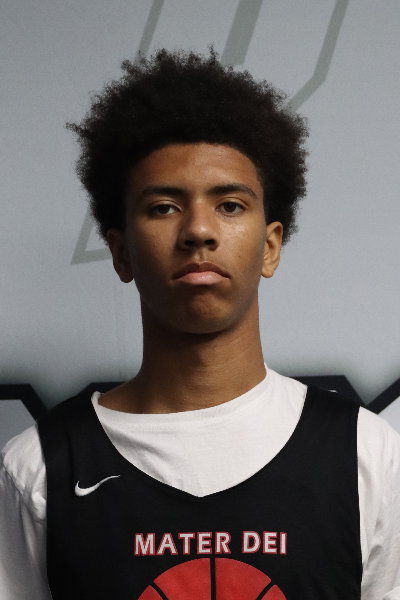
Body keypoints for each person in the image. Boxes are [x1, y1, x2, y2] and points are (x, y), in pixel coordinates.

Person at [1, 48, 400, 600]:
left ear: (270, 246)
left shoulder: (365, 454)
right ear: (121, 252)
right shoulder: (38, 468)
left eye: (230, 205)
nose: (198, 231)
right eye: (163, 207)